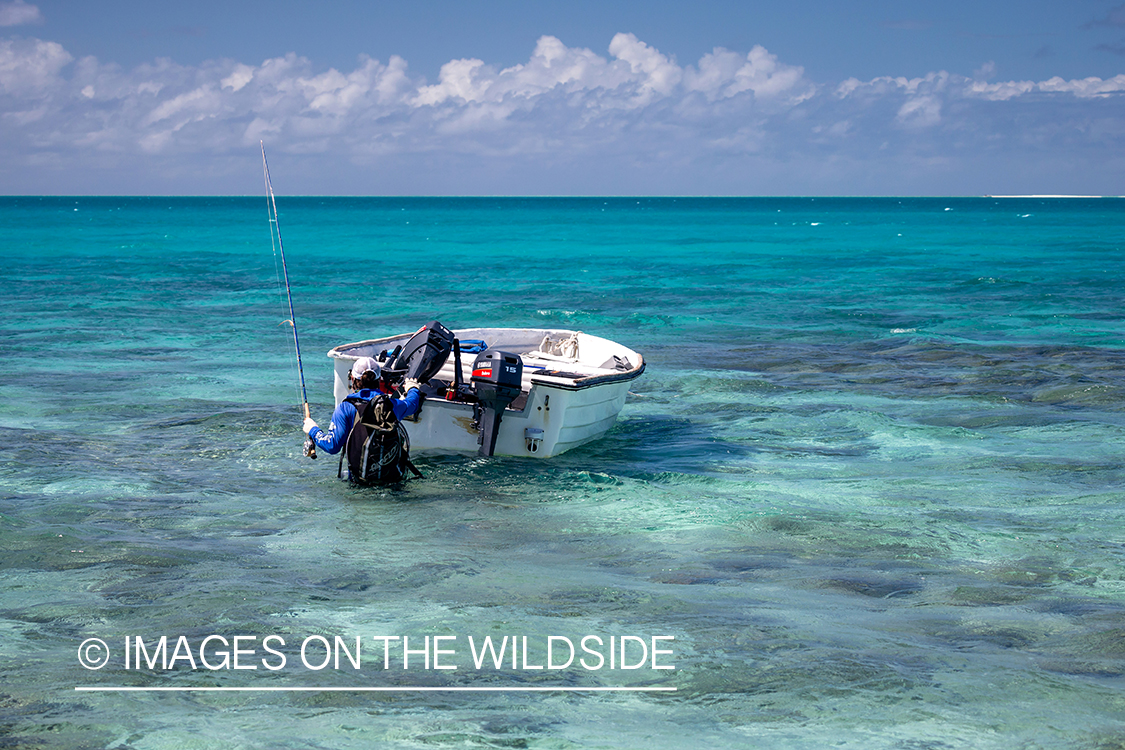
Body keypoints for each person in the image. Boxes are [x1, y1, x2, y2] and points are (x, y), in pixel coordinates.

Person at [303, 356, 422, 458]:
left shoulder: (345, 408)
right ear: (379, 380)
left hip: (358, 481)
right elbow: (412, 404)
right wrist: (412, 388)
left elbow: (332, 446)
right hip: (391, 478)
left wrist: (313, 429)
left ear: (353, 379)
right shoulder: (391, 405)